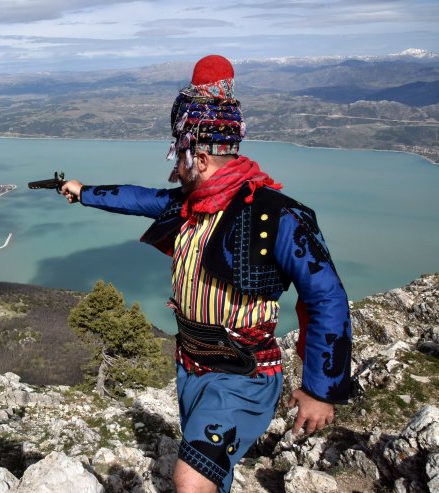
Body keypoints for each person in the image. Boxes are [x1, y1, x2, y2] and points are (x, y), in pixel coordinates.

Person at [59, 55, 352, 493]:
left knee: (190, 480)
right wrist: (83, 193)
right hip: (191, 367)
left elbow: (326, 297)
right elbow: (139, 198)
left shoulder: (280, 217)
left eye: (178, 155)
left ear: (197, 155)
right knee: (213, 470)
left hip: (242, 375)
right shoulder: (189, 204)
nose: (174, 167)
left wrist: (320, 389)